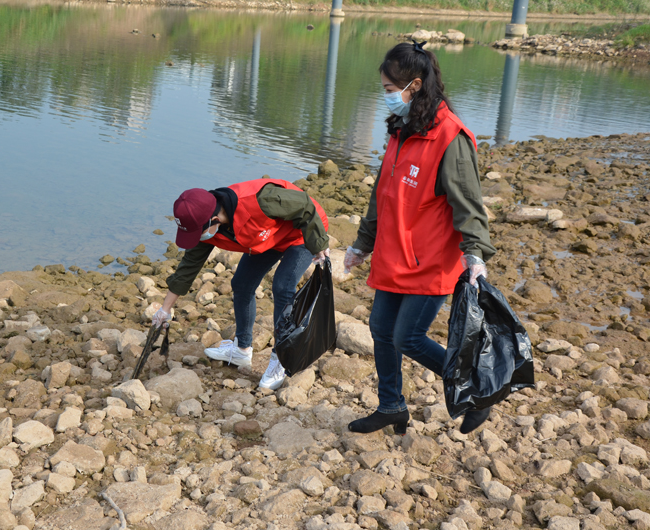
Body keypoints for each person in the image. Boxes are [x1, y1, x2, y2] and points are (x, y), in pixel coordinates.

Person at [343, 41, 496, 435]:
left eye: (390, 92)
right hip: (394, 256)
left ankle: (476, 391)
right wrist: (363, 242)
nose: (387, 99)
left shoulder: (451, 138)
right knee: (380, 330)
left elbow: (469, 204)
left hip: (429, 260)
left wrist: (475, 255)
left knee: (408, 337)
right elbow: (384, 191)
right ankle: (392, 405)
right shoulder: (402, 128)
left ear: (414, 85)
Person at [152, 178, 330, 390]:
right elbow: (187, 269)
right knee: (242, 284)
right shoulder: (206, 227)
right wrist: (165, 309)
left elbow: (305, 205)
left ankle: (281, 359)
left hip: (302, 232)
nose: (196, 238)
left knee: (283, 286)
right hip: (267, 238)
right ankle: (242, 350)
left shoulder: (262, 201)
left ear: (214, 219)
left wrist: (319, 245)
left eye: (195, 233)